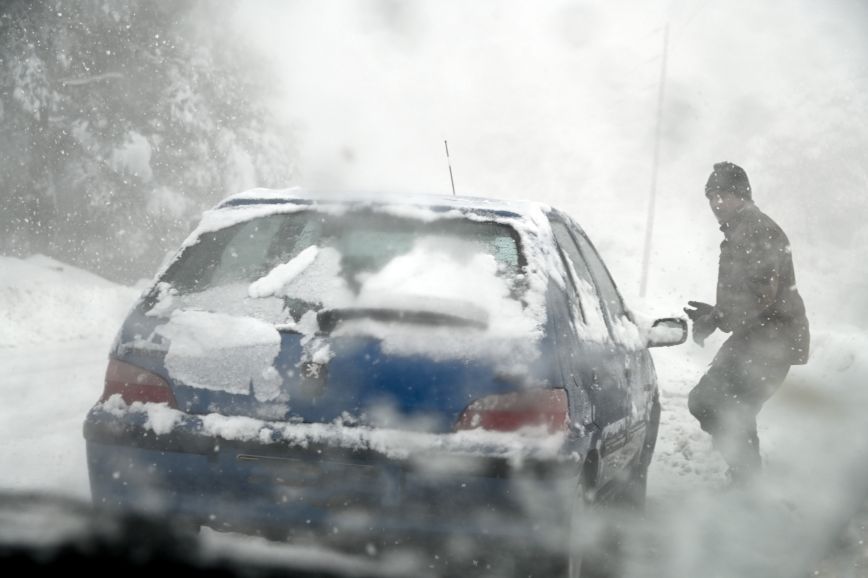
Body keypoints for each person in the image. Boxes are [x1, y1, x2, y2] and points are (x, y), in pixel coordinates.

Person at [685, 161, 810, 484]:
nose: (716, 203)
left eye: (724, 194)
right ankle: (747, 483)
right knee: (721, 406)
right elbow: (751, 292)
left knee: (717, 404)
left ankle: (748, 486)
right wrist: (717, 312)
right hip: (758, 337)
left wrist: (718, 318)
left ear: (742, 196)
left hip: (772, 342)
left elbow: (761, 294)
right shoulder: (742, 229)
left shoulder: (756, 229)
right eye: (711, 196)